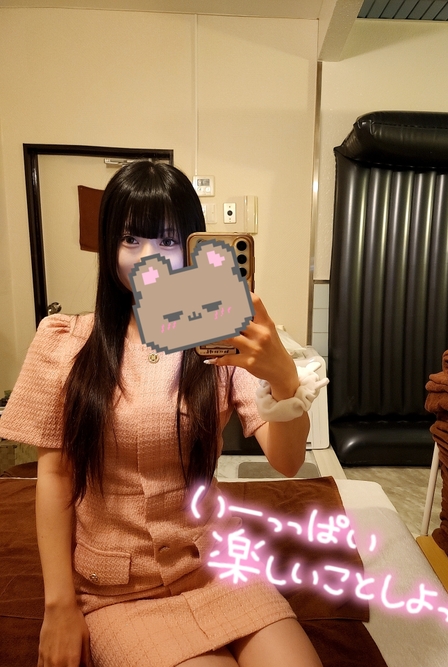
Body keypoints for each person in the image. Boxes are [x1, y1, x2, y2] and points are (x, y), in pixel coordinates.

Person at [0, 161, 324, 667]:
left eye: (169, 240)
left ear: (194, 246)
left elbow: (286, 461)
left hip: (218, 567)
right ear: (109, 246)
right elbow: (56, 476)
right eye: (131, 239)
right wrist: (59, 606)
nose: (149, 258)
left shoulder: (222, 336)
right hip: (118, 591)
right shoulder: (66, 342)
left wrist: (284, 378)